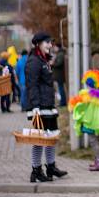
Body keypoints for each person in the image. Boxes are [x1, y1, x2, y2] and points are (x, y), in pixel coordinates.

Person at [25, 32, 68, 183]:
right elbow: (32, 85)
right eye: (47, 43)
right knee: (39, 139)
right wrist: (35, 105)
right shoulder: (34, 62)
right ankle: (36, 170)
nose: (50, 45)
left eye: (50, 42)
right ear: (38, 44)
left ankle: (51, 167)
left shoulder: (43, 60)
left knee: (51, 137)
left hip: (48, 105)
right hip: (39, 107)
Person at [52, 43, 67, 107]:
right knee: (60, 89)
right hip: (59, 74)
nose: (54, 48)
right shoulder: (59, 53)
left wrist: (53, 64)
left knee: (61, 89)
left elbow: (59, 63)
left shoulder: (60, 54)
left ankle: (63, 102)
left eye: (55, 47)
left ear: (57, 47)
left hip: (59, 74)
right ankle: (62, 101)